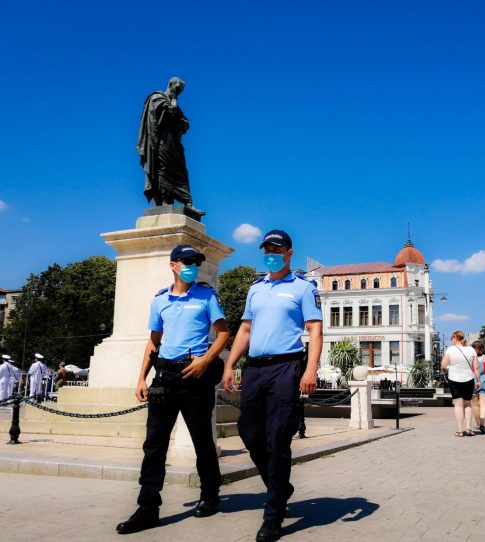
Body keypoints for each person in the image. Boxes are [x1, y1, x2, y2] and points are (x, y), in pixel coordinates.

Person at [116, 244, 230, 535]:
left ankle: (210, 494)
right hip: (164, 376)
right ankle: (148, 507)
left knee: (202, 440)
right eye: (188, 261)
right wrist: (141, 378)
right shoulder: (159, 300)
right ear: (174, 265)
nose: (193, 265)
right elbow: (153, 342)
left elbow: (224, 333)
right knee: (154, 444)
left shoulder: (206, 295)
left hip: (194, 374)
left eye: (196, 261)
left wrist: (206, 360)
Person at [222, 229, 322, 542]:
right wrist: (229, 363)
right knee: (250, 433)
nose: (271, 252)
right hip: (254, 369)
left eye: (276, 248)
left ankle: (273, 513)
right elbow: (246, 329)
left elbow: (315, 331)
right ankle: (281, 486)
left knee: (278, 439)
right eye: (266, 248)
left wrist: (310, 370)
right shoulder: (256, 289)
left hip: (285, 367)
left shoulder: (303, 288)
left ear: (289, 252)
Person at [137, 77, 200, 213]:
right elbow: (169, 113)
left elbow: (182, 121)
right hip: (160, 143)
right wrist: (173, 101)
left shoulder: (173, 102)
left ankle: (187, 202)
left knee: (181, 171)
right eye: (177, 89)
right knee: (163, 170)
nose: (178, 92)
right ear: (171, 85)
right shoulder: (157, 98)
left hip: (174, 144)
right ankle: (162, 202)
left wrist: (183, 123)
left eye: (181, 91)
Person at [440, 331, 480, 437]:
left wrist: (445, 364)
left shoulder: (450, 350)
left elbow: (443, 365)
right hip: (469, 379)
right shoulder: (471, 350)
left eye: (451, 337)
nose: (451, 340)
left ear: (456, 338)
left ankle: (460, 430)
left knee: (458, 405)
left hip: (454, 379)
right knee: (468, 404)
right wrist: (478, 381)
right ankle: (468, 428)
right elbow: (476, 367)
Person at [471, 340, 485, 434]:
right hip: (484, 380)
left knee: (475, 405)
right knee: (483, 404)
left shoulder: (472, 358)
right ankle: (482, 425)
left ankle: (477, 424)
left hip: (473, 381)